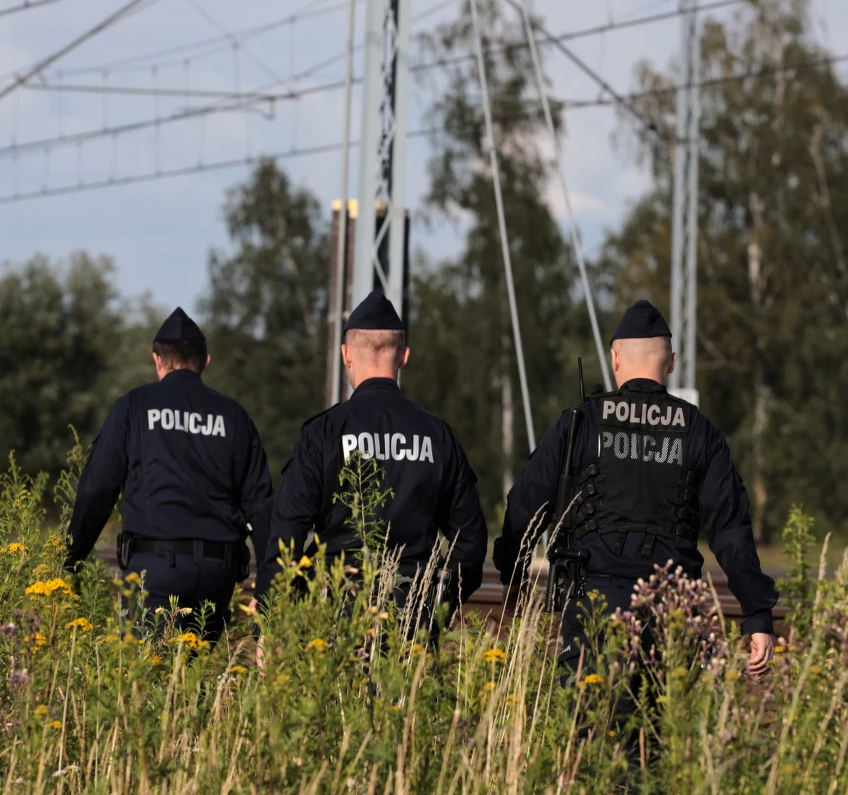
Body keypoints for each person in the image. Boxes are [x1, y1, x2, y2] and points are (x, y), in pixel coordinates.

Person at [493, 299, 777, 677]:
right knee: (655, 729)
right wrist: (757, 614)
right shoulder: (700, 431)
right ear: (671, 363)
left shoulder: (580, 422)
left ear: (614, 359)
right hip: (669, 608)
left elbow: (525, 507)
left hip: (593, 601)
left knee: (587, 724)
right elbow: (729, 530)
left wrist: (513, 577)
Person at [254, 290, 488, 628]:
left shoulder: (323, 433)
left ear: (346, 354)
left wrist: (268, 622)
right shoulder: (437, 436)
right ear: (404, 356)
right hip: (412, 612)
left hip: (334, 612)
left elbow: (287, 535)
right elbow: (470, 542)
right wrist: (437, 604)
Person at [65, 307, 273, 641]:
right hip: (216, 576)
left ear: (157, 360)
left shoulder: (134, 406)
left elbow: (97, 490)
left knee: (147, 681)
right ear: (205, 362)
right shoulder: (234, 416)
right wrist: (267, 585)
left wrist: (71, 560)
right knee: (194, 680)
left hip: (154, 571)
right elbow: (261, 506)